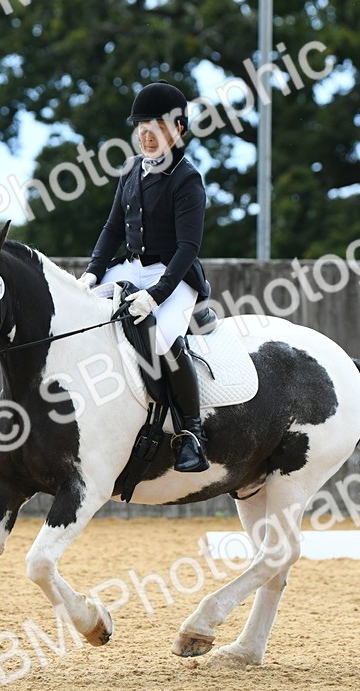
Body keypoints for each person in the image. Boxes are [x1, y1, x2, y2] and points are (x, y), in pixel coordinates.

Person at [78, 80, 211, 473]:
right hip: (131, 266)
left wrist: (155, 295)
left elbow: (188, 248)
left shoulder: (187, 180)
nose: (146, 134)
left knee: (165, 339)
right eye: (141, 126)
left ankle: (192, 434)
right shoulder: (132, 170)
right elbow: (112, 228)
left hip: (174, 273)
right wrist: (92, 273)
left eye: (156, 126)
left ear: (179, 129)